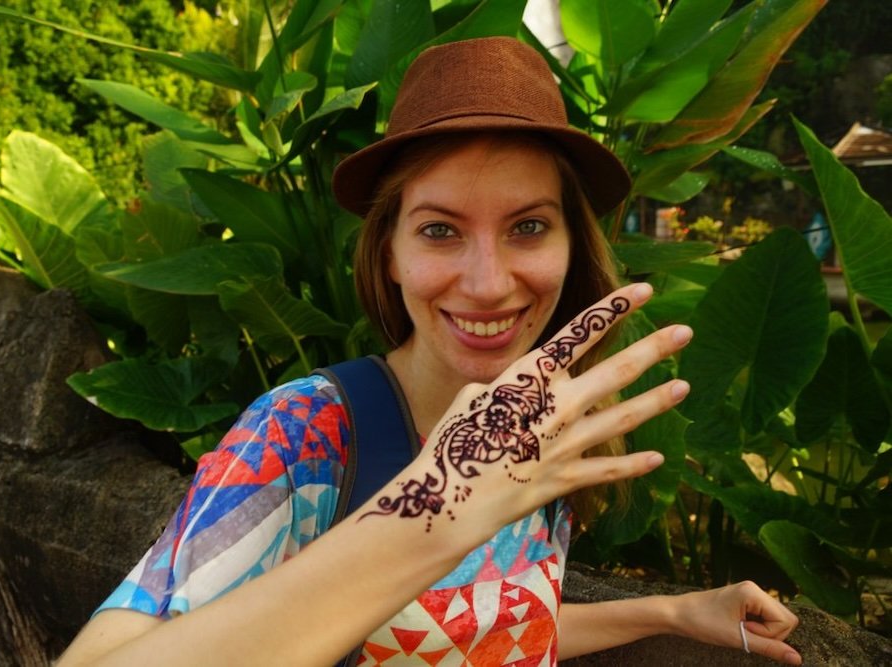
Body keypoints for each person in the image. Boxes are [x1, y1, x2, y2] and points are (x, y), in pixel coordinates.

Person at [58, 37, 801, 666]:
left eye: (530, 227)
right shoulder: (305, 434)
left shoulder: (540, 423)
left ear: (573, 248)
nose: (487, 282)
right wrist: (436, 510)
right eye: (440, 230)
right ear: (388, 254)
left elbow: (480, 628)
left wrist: (671, 613)